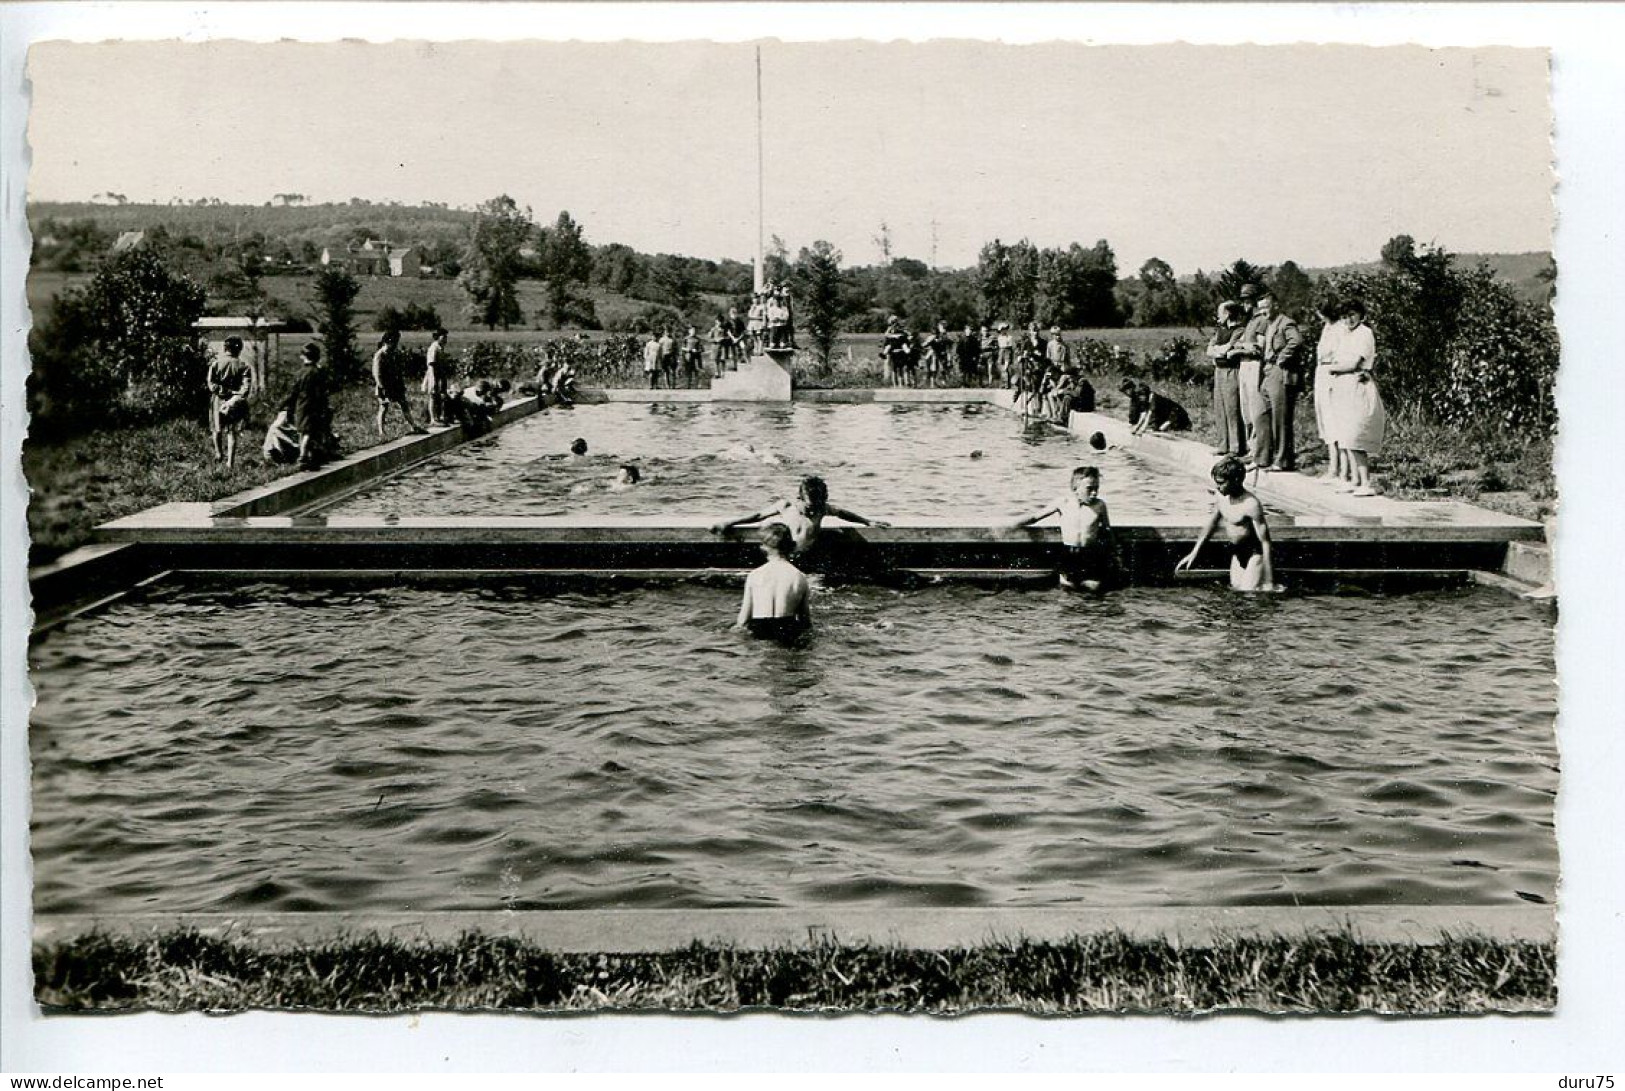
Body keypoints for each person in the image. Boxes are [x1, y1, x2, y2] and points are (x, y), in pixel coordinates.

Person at [711, 474, 889, 556]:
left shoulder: (822, 508)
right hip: (786, 554)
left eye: (817, 505)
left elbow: (844, 513)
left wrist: (868, 521)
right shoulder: (787, 506)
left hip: (809, 554)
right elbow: (758, 515)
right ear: (800, 498)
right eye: (809, 506)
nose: (812, 511)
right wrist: (729, 523)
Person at [1176, 456, 1281, 592]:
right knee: (1236, 591)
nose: (1217, 487)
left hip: (1254, 554)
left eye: (1221, 483)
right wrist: (1195, 553)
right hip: (1236, 552)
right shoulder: (1221, 497)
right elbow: (1211, 524)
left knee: (1248, 593)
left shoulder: (1251, 504)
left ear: (1236, 480)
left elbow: (1265, 542)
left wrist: (1269, 580)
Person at [1009, 465, 1118, 592]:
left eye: (1096, 488)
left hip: (1090, 554)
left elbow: (1107, 529)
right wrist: (1013, 525)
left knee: (1093, 589)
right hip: (1069, 554)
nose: (1094, 493)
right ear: (1076, 488)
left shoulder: (1100, 505)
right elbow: (1035, 517)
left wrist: (1114, 552)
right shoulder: (1063, 502)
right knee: (1068, 590)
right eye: (1089, 489)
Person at [1327, 298, 1386, 496]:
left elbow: (1353, 363)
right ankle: (1354, 479)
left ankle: (1366, 482)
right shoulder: (1346, 334)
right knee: (1344, 435)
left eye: (1352, 314)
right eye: (1345, 316)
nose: (1349, 319)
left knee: (1355, 434)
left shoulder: (1365, 333)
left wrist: (1333, 367)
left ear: (1361, 314)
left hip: (1356, 384)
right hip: (1343, 386)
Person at [733, 522, 812, 641]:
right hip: (787, 628)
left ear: (764, 547)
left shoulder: (755, 575)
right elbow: (805, 622)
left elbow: (743, 620)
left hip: (759, 628)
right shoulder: (799, 577)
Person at [1257, 288, 1305, 471]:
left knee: (1281, 418)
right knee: (1264, 414)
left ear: (1276, 305)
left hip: (1281, 372)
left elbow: (1296, 341)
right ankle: (1267, 455)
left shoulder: (1286, 323)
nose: (1263, 312)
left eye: (1266, 307)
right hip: (1269, 370)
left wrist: (1282, 357)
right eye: (1260, 309)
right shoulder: (1269, 324)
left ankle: (1283, 460)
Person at [272, 341, 338, 470]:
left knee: (303, 431)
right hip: (314, 406)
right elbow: (323, 392)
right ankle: (303, 456)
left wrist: (285, 405)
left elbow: (293, 392)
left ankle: (308, 455)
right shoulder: (318, 373)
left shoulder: (299, 373)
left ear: (304, 356)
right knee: (310, 432)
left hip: (301, 406)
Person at [1205, 300, 1249, 458]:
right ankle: (1223, 444)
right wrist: (1218, 351)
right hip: (1219, 370)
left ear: (1228, 313)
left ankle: (1236, 447)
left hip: (1232, 371)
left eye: (1220, 313)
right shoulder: (1220, 330)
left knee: (1232, 407)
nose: (1218, 316)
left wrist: (1218, 350)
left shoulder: (1239, 330)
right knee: (1220, 407)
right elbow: (1209, 350)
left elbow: (1228, 348)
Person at [1311, 297, 1347, 484]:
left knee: (1334, 419)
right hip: (1322, 373)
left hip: (1333, 373)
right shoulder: (1327, 327)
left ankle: (1339, 469)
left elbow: (1341, 353)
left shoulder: (1341, 328)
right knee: (1325, 419)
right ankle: (1333, 467)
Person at [207, 334, 254, 467]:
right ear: (239, 349)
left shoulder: (215, 364)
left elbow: (211, 384)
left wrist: (221, 391)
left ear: (224, 348)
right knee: (231, 432)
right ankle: (230, 463)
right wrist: (234, 394)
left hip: (217, 400)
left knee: (216, 428)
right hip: (234, 402)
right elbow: (245, 389)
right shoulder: (244, 366)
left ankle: (218, 453)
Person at [1234, 283, 1268, 458]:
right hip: (1244, 365)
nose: (1245, 304)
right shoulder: (1249, 322)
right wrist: (1243, 346)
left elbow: (1258, 348)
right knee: (1245, 408)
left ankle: (1257, 449)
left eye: (1248, 300)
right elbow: (1240, 343)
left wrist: (1241, 347)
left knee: (1255, 408)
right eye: (1244, 300)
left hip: (1254, 365)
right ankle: (1250, 447)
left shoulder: (1261, 320)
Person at [372, 330, 425, 437]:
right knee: (383, 406)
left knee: (404, 404)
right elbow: (377, 374)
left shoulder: (394, 354)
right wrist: (382, 387)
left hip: (395, 384)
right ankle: (381, 432)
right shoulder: (380, 355)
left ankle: (413, 426)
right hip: (385, 385)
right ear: (388, 341)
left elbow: (398, 369)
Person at [1122, 380, 1192, 434]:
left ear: (1146, 394)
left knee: (1161, 429)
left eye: (1142, 396)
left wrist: (1142, 430)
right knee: (1154, 428)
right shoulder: (1144, 399)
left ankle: (1184, 426)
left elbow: (1149, 414)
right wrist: (1137, 427)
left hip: (1176, 413)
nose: (1141, 399)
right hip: (1165, 414)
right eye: (1140, 397)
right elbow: (1143, 414)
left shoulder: (1153, 398)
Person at [422, 328, 454, 426]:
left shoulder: (440, 348)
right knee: (433, 396)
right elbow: (431, 365)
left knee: (439, 397)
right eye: (443, 337)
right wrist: (434, 380)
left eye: (446, 337)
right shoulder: (434, 348)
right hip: (433, 375)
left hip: (440, 375)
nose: (445, 339)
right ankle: (432, 419)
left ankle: (438, 417)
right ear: (438, 337)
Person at [707, 315, 729, 379]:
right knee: (715, 360)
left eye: (721, 322)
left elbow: (729, 337)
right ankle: (716, 373)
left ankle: (723, 373)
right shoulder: (713, 329)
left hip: (723, 346)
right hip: (715, 347)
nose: (719, 323)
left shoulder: (725, 329)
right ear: (715, 322)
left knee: (723, 359)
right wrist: (715, 340)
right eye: (718, 322)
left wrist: (724, 338)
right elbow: (708, 339)